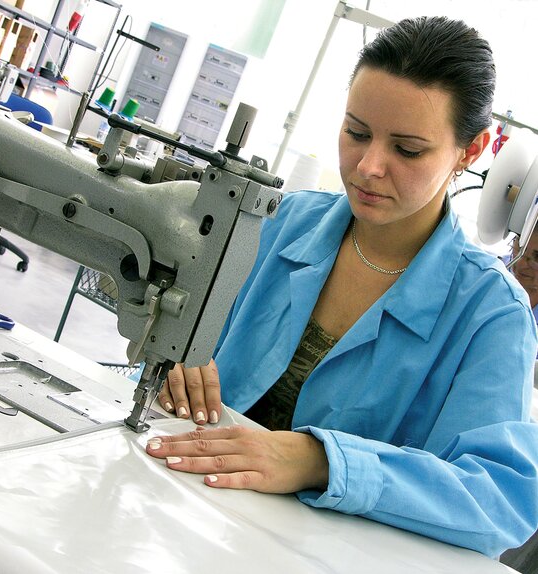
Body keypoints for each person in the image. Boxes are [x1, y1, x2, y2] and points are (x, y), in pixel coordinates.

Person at [144, 16, 538, 557]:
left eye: (408, 150)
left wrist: (322, 460)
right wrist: (177, 370)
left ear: (471, 151)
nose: (369, 166)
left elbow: (501, 499)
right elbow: (183, 347)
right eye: (356, 133)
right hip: (191, 525)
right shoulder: (277, 225)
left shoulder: (492, 314)